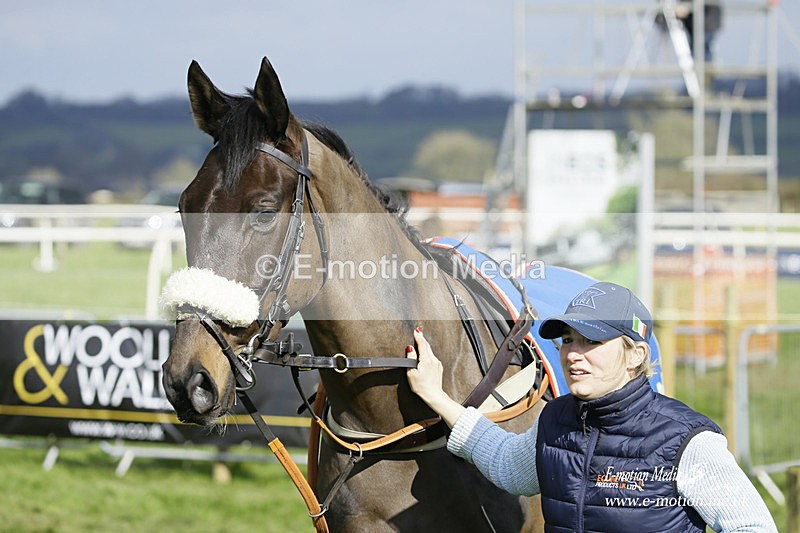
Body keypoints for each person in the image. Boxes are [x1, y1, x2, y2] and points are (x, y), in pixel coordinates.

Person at [406, 281, 777, 532]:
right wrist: (436, 395)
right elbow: (508, 464)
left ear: (636, 355)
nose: (573, 355)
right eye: (568, 340)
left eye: (591, 342)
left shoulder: (687, 442)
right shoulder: (557, 419)